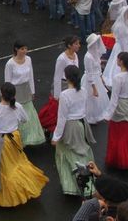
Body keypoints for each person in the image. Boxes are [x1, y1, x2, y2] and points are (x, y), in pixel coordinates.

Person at [0, 82, 48, 207]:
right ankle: (25, 186)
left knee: (3, 167)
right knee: (18, 162)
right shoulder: (17, 106)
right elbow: (25, 119)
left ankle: (9, 195)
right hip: (15, 138)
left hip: (1, 141)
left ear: (1, 93)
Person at [52, 65, 96, 196]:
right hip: (82, 124)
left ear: (67, 77)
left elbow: (62, 118)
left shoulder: (65, 95)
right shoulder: (83, 90)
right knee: (82, 153)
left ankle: (74, 185)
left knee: (68, 155)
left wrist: (56, 137)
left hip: (70, 127)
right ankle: (87, 184)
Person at [104, 52, 128, 169]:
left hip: (121, 107)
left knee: (118, 134)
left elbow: (114, 99)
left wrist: (108, 115)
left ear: (121, 61)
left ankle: (117, 158)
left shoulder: (118, 78)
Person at [4, 41, 45, 147]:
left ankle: (29, 138)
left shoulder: (28, 59)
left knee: (29, 113)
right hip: (15, 91)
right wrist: (9, 96)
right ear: (16, 49)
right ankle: (19, 139)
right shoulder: (10, 63)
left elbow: (31, 76)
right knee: (17, 113)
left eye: (26, 48)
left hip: (26, 89)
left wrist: (32, 91)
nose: (25, 51)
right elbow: (7, 81)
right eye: (22, 49)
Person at [39, 35, 80, 134]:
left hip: (72, 84)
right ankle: (50, 127)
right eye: (76, 44)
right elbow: (57, 77)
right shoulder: (62, 58)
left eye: (78, 43)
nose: (79, 46)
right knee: (58, 109)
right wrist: (56, 95)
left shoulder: (75, 55)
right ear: (69, 45)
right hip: (63, 85)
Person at [103, 2, 128, 89]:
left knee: (114, 62)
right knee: (118, 63)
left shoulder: (122, 24)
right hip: (121, 47)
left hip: (122, 46)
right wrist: (126, 51)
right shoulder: (121, 26)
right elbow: (122, 40)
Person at [82, 33, 110, 124]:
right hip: (90, 81)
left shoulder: (96, 54)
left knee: (97, 99)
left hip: (97, 78)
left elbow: (98, 67)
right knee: (91, 98)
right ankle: (90, 116)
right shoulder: (88, 57)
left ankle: (96, 114)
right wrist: (94, 88)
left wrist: (101, 77)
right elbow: (89, 73)